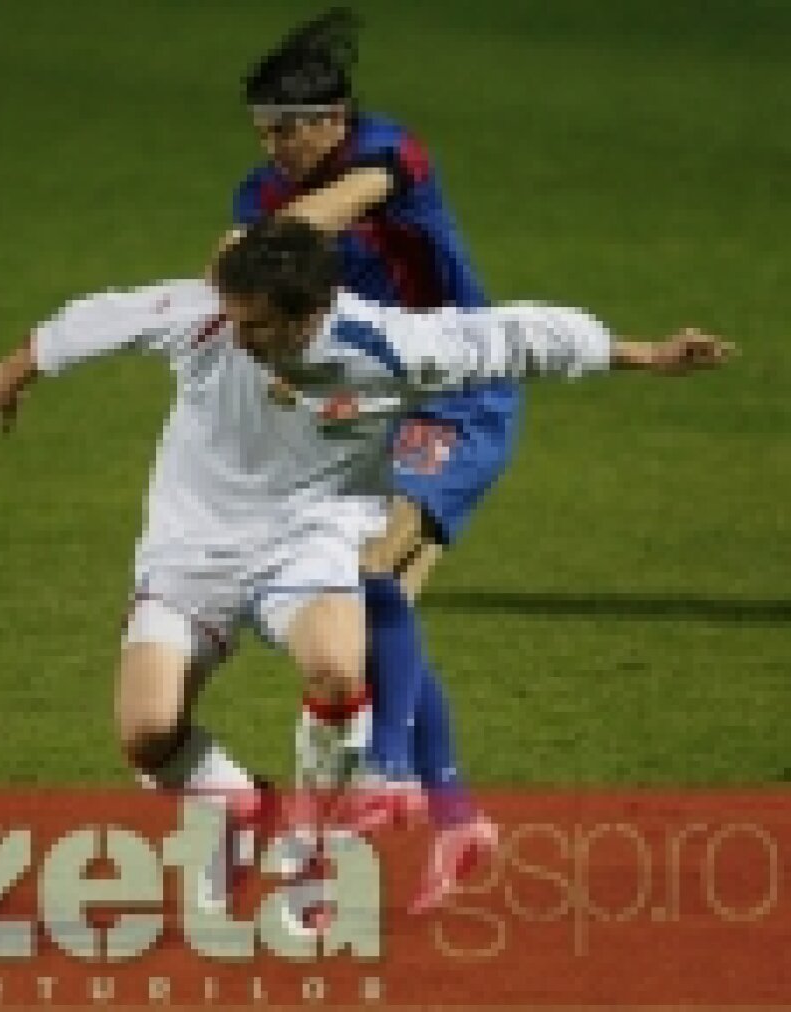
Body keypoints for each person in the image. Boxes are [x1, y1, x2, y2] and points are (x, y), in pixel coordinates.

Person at [0, 222, 732, 893]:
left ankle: (311, 849)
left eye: (258, 326)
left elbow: (522, 336)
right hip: (188, 549)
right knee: (147, 733)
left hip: (310, 536)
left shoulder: (388, 348)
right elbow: (99, 320)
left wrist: (647, 355)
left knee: (336, 666)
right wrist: (12, 371)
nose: (238, 336)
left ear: (310, 317)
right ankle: (242, 809)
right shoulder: (208, 318)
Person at [226, 8, 518, 885]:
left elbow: (326, 216)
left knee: (369, 571)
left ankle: (389, 773)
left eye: (287, 130)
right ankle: (455, 816)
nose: (274, 148)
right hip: (373, 406)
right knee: (374, 609)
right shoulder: (260, 193)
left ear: (333, 119)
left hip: (456, 390)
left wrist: (255, 252)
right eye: (263, 132)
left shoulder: (390, 154)